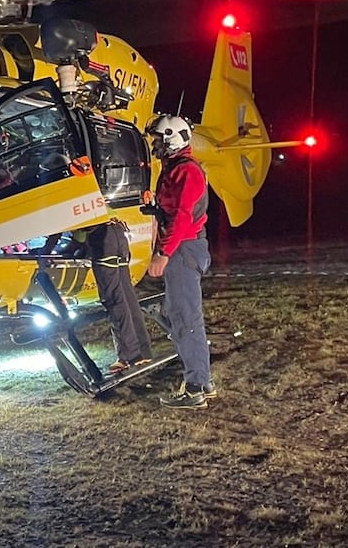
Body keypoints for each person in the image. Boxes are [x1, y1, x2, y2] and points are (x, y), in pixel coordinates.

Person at [146, 115, 217, 410]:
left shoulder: (186, 172)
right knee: (182, 316)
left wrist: (163, 253)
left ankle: (196, 388)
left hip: (184, 249)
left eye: (158, 140)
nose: (155, 145)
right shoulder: (176, 168)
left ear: (171, 139)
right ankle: (203, 383)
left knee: (186, 320)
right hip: (186, 247)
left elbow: (182, 217)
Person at [41, 220, 153, 375]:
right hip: (118, 234)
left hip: (103, 241)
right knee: (127, 296)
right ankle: (142, 351)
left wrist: (47, 250)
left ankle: (128, 355)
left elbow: (72, 236)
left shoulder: (64, 203)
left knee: (114, 299)